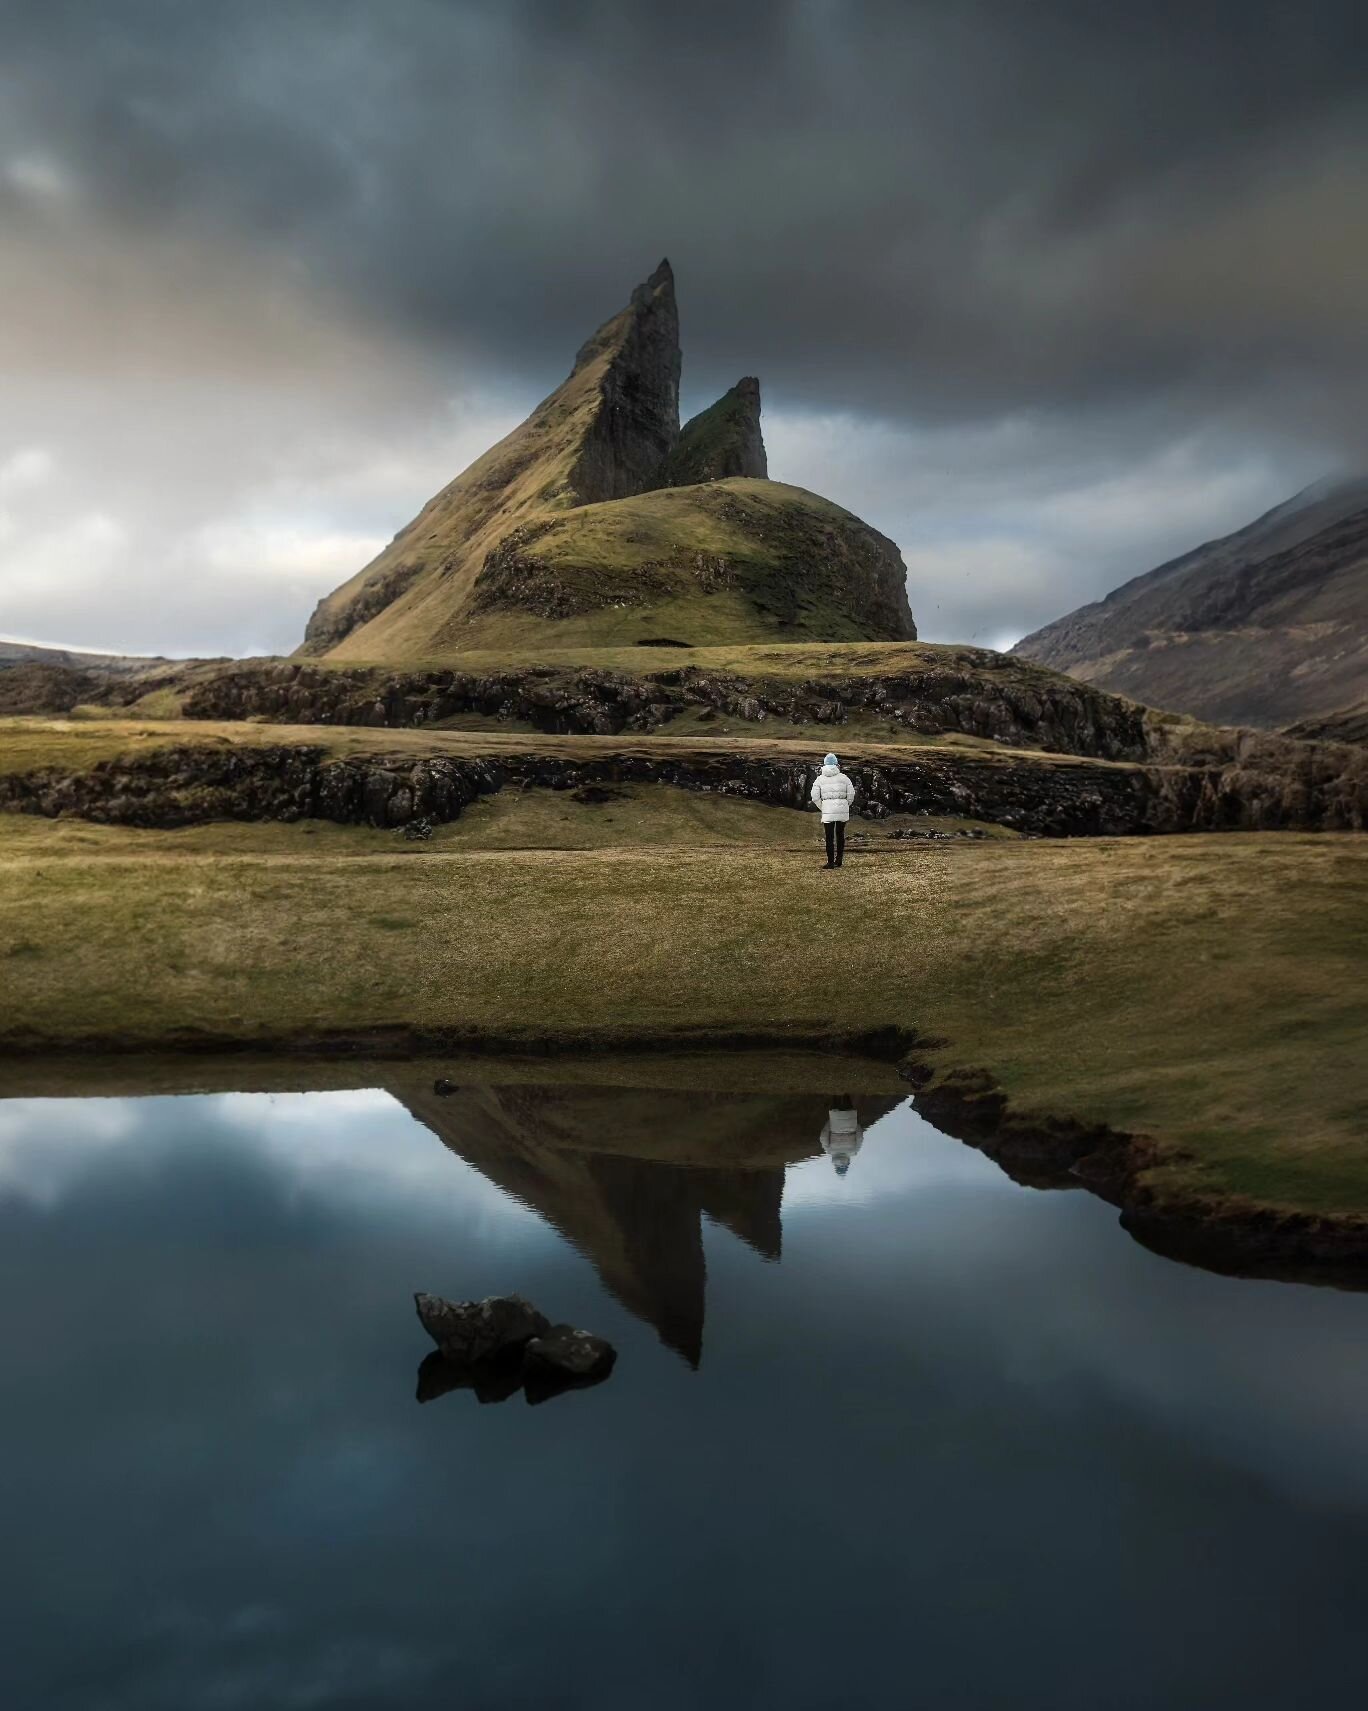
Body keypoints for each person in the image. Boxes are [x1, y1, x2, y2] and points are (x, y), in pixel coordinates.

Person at [809, 752, 856, 868]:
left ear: (824, 765)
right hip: (842, 810)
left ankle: (830, 862)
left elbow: (814, 796)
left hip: (827, 812)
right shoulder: (844, 778)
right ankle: (839, 860)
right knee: (840, 834)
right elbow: (851, 794)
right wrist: (846, 805)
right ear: (837, 765)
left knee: (829, 836)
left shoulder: (819, 779)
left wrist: (823, 807)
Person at [820, 1097, 864, 1176]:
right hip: (835, 1122)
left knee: (847, 1099)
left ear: (847, 1166)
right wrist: (831, 1122)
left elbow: (860, 1136)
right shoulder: (830, 1150)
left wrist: (854, 1124)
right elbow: (823, 1136)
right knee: (835, 1098)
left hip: (850, 1121)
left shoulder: (854, 1151)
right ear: (835, 1167)